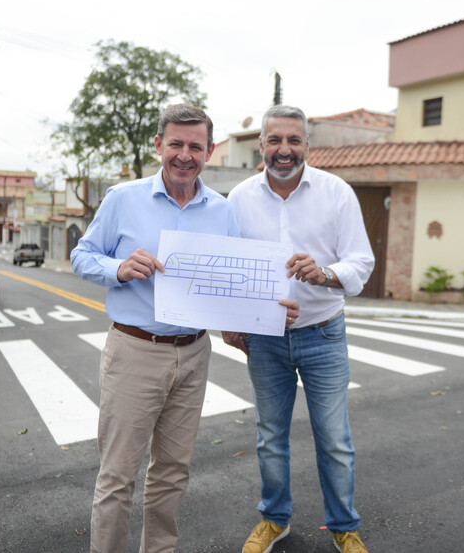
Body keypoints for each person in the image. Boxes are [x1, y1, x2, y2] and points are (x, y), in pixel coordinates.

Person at [71, 103, 299, 553]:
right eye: (175, 143)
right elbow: (82, 255)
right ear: (158, 145)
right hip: (135, 350)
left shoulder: (221, 210)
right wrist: (118, 268)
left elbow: (232, 282)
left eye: (195, 146)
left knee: (173, 471)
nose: (184, 154)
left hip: (193, 354)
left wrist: (269, 312)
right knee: (118, 476)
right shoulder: (123, 199)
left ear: (210, 151)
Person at [224, 105, 375, 553]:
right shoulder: (238, 199)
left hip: (323, 332)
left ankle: (344, 526)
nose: (284, 150)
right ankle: (275, 519)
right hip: (265, 339)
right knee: (270, 436)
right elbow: (230, 269)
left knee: (335, 439)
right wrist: (232, 323)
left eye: (294, 141)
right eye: (275, 141)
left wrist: (325, 273)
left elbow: (360, 263)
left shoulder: (337, 193)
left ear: (308, 145)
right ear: (262, 146)